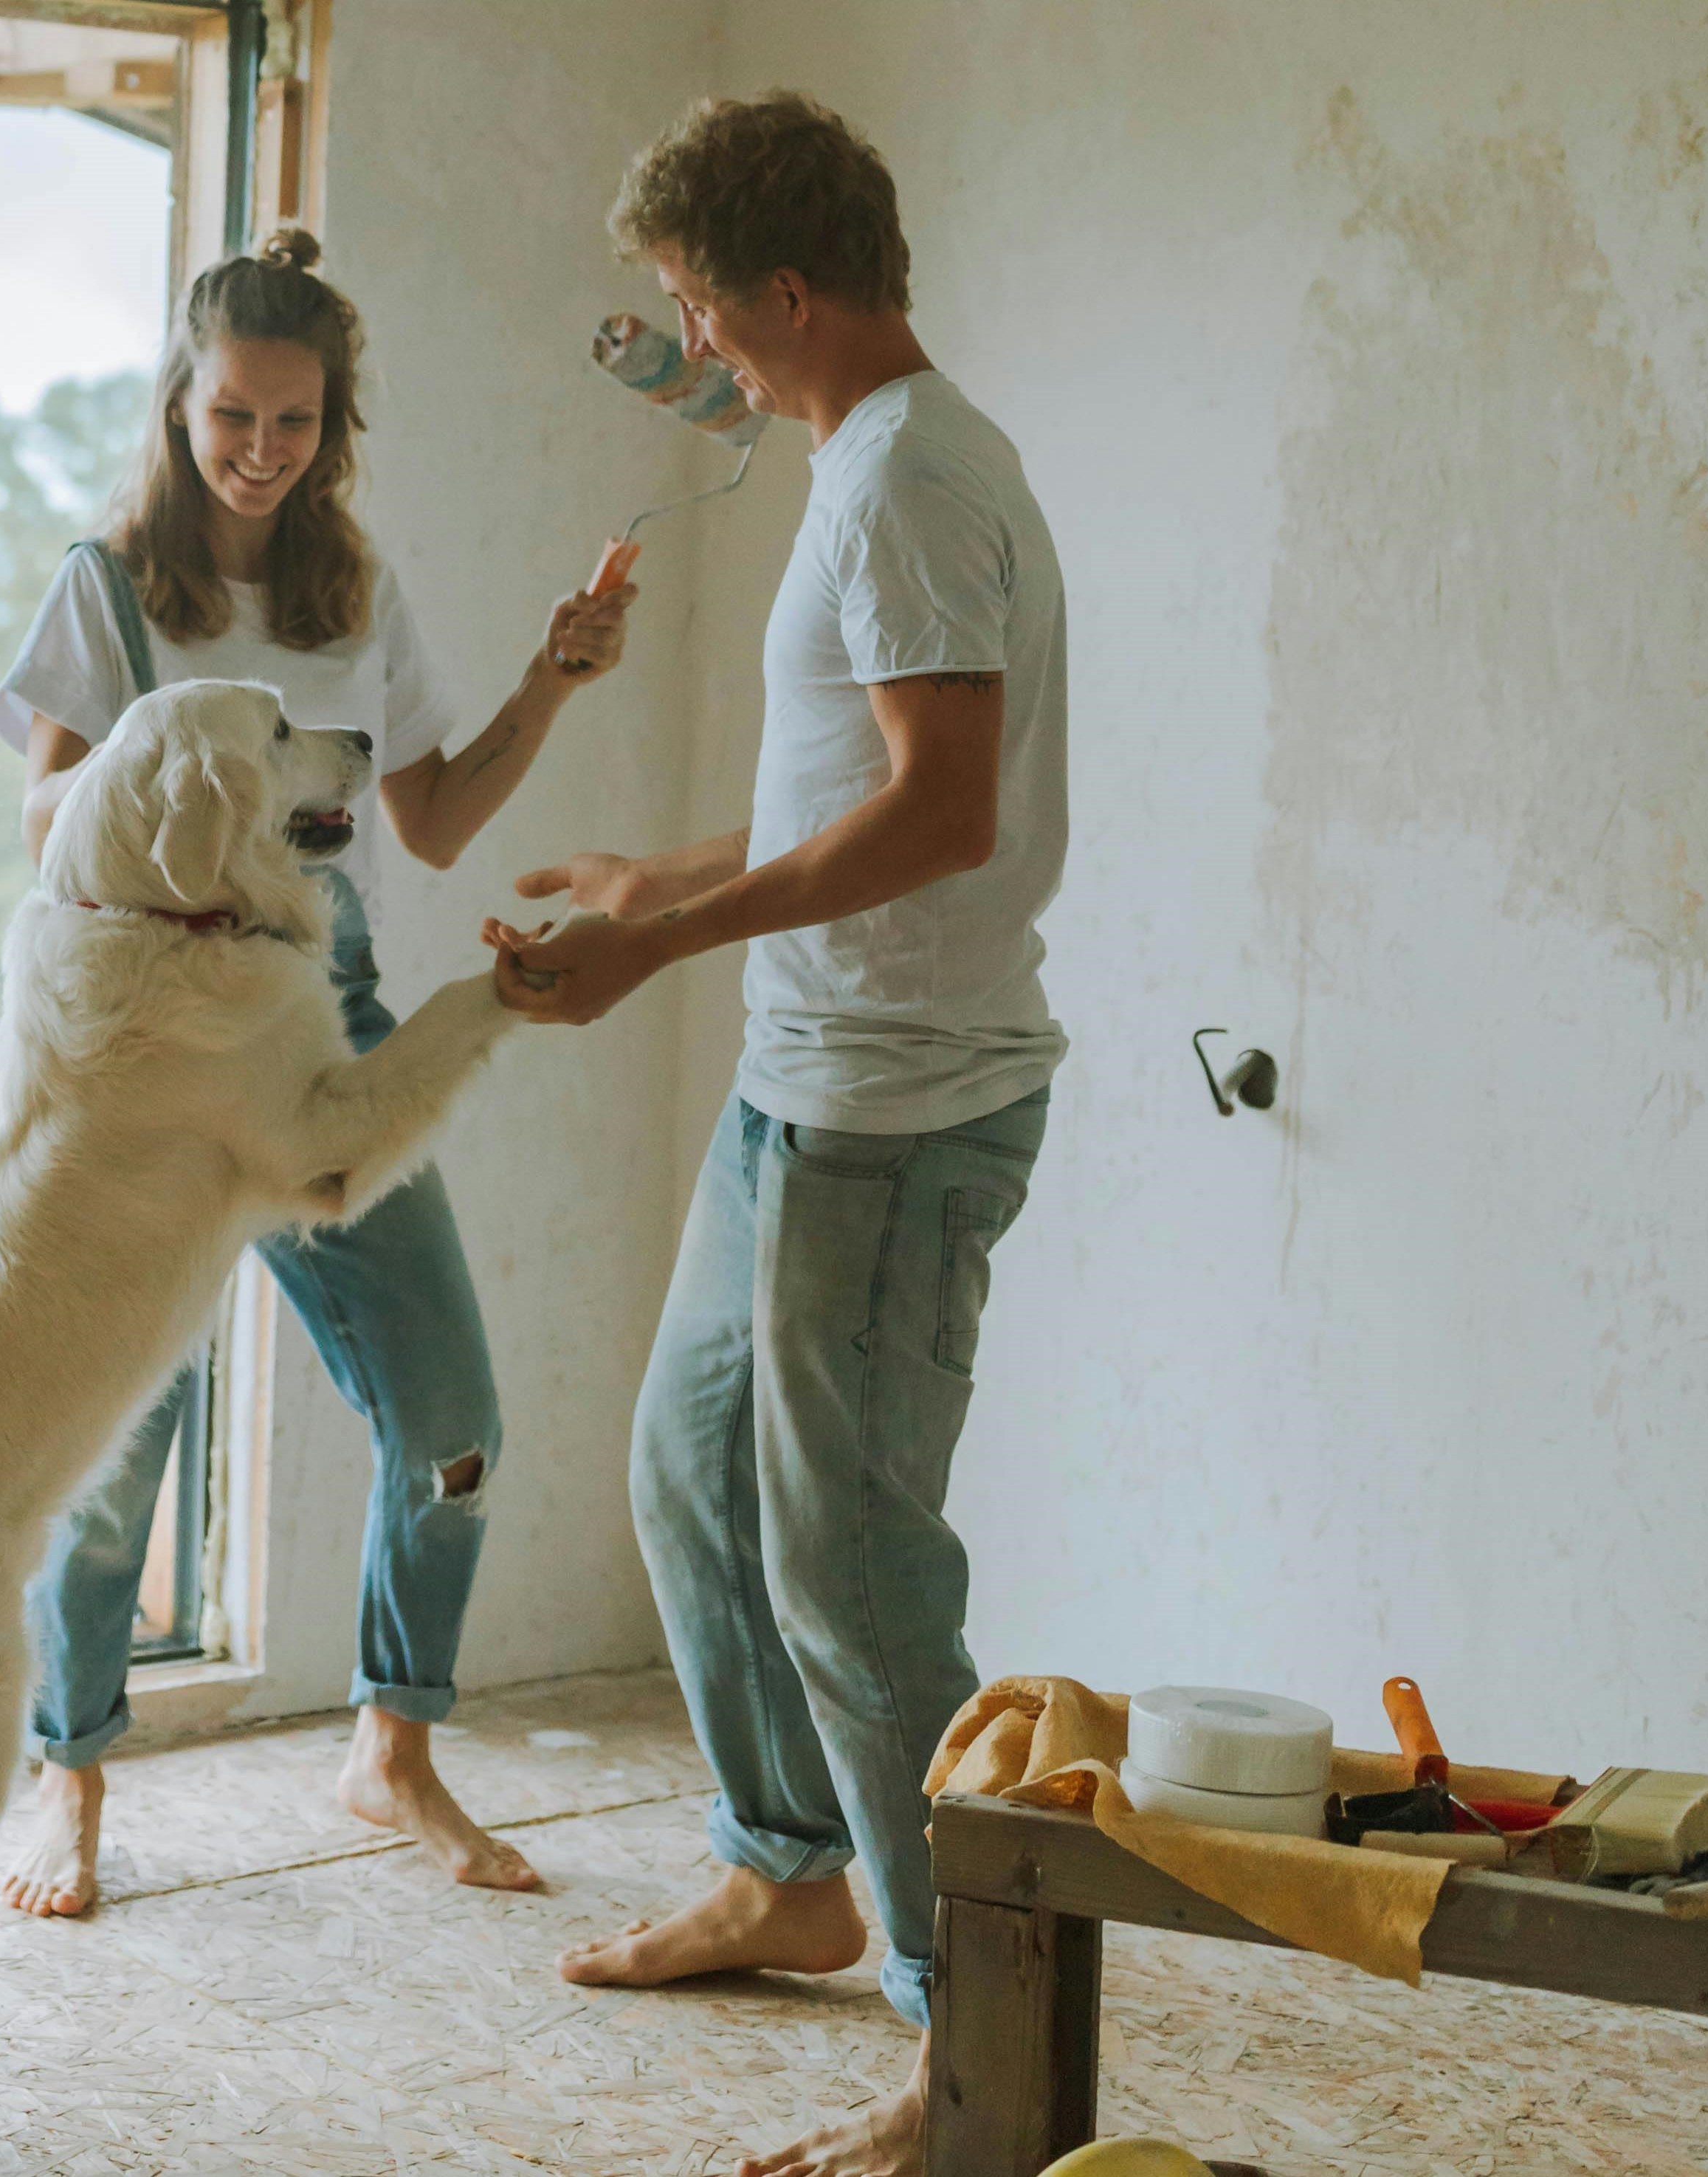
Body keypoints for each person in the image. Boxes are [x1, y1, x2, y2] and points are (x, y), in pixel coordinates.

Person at [485, 95, 1069, 2177]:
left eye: (697, 310)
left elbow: (944, 808)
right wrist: (667, 879)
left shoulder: (913, 476)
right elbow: (858, 785)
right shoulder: (867, 465)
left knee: (859, 1574)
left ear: (787, 293)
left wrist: (665, 952)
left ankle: (967, 2035)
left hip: (895, 1115)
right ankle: (788, 1865)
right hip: (798, 1081)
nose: (697, 344)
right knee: (685, 1469)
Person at [0, 228, 638, 1919]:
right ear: (180, 408)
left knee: (453, 1425)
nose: (260, 448)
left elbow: (427, 820)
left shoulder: (358, 590)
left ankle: (391, 1747)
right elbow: (42, 823)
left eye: (293, 419)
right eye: (230, 417)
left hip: (323, 1018)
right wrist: (189, 773)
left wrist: (550, 685)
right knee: (111, 1445)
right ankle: (68, 1777)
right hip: (147, 1038)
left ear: (330, 422)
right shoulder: (107, 586)